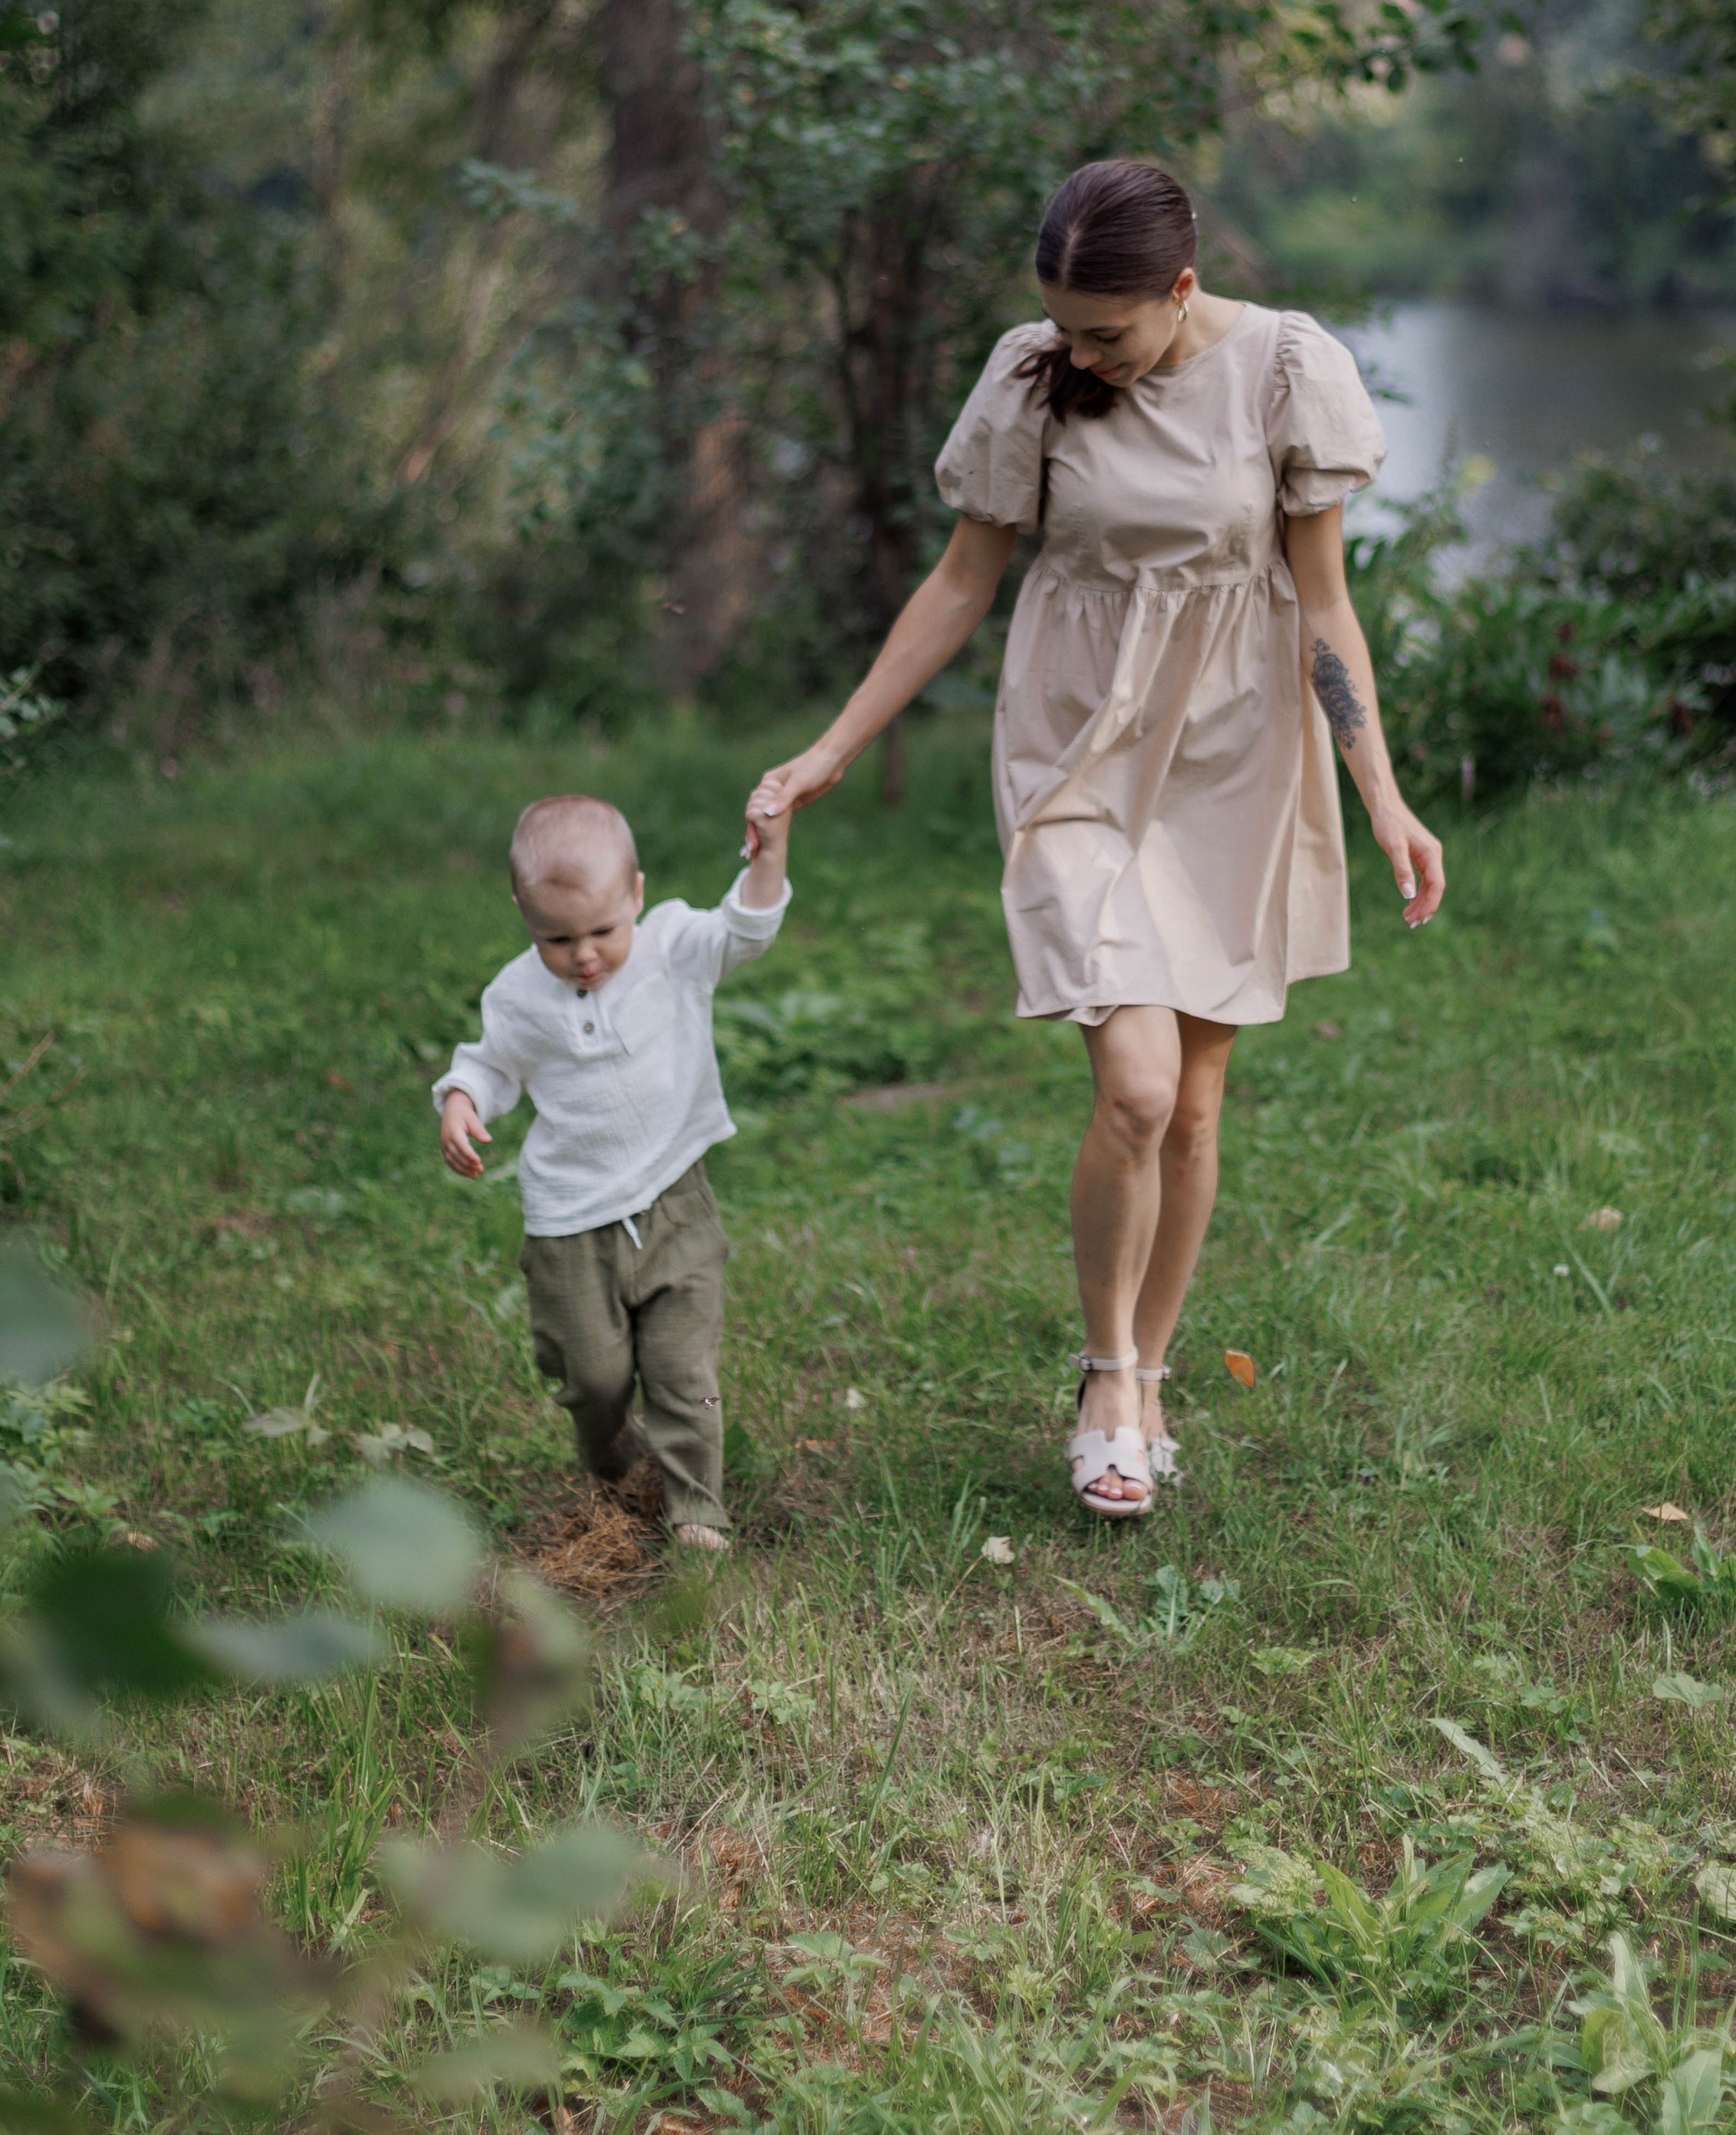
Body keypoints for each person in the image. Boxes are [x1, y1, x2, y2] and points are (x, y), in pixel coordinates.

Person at [748, 157, 1443, 1521]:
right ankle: (1107, 1375)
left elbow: (1321, 610)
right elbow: (961, 583)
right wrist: (833, 747)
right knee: (1130, 1086)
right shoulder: (1031, 373)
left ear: (1181, 291)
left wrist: (1383, 796)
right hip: (1075, 744)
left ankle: (1154, 1369)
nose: (1081, 352)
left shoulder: (1288, 370)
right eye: (1065, 324)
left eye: (1107, 332)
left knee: (1192, 1104)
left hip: (1235, 755)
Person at [434, 790, 791, 1553]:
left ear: (636, 894)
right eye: (557, 939)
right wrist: (464, 1100)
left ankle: (697, 1513)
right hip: (570, 1222)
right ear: (524, 915)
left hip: (674, 1205)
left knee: (680, 1370)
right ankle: (611, 1461)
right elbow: (492, 1063)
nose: (584, 955)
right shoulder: (519, 993)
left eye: (602, 930)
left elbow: (745, 930)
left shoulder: (670, 947)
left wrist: (772, 853)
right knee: (592, 1378)